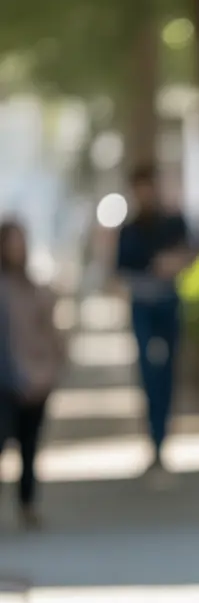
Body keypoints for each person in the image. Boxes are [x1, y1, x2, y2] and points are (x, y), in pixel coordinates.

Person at [114, 164, 190, 479]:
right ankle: (154, 439)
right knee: (149, 373)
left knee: (168, 373)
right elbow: (120, 270)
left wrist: (172, 264)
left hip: (168, 304)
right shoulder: (129, 230)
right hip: (143, 306)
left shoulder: (173, 222)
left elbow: (188, 256)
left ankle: (162, 437)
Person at [0, 218, 66, 529]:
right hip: (6, 382)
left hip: (38, 378)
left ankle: (27, 502)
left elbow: (50, 334)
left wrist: (51, 369)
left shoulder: (36, 289)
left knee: (29, 445)